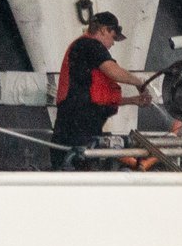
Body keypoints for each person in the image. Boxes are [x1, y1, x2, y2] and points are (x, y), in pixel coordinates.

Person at [50, 12, 151, 169]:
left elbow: (96, 98)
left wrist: (132, 100)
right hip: (77, 131)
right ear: (103, 30)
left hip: (75, 128)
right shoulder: (90, 45)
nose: (113, 43)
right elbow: (113, 71)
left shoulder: (85, 52)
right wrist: (139, 83)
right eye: (113, 36)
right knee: (78, 170)